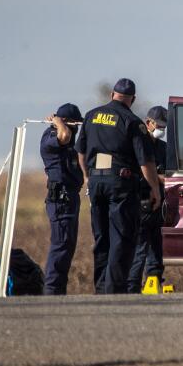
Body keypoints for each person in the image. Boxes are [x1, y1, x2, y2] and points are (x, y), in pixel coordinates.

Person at [76, 78, 160, 294]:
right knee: (120, 237)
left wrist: (87, 177)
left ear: (112, 94)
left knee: (101, 237)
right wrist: (155, 190)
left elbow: (81, 151)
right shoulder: (132, 121)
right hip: (120, 184)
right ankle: (114, 290)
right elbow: (146, 162)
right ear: (133, 99)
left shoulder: (91, 116)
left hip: (96, 182)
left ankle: (101, 287)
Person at [40, 103, 84, 295]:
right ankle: (51, 291)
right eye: (74, 124)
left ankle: (59, 290)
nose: (76, 129)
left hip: (71, 197)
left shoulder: (71, 140)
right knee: (60, 244)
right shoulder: (51, 137)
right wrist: (58, 122)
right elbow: (63, 136)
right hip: (60, 199)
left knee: (68, 245)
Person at [128, 106, 168, 293]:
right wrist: (159, 178)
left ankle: (153, 281)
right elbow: (142, 172)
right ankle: (132, 286)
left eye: (164, 127)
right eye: (159, 125)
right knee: (140, 247)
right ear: (148, 123)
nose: (161, 130)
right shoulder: (139, 145)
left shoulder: (163, 148)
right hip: (142, 200)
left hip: (159, 204)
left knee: (156, 246)